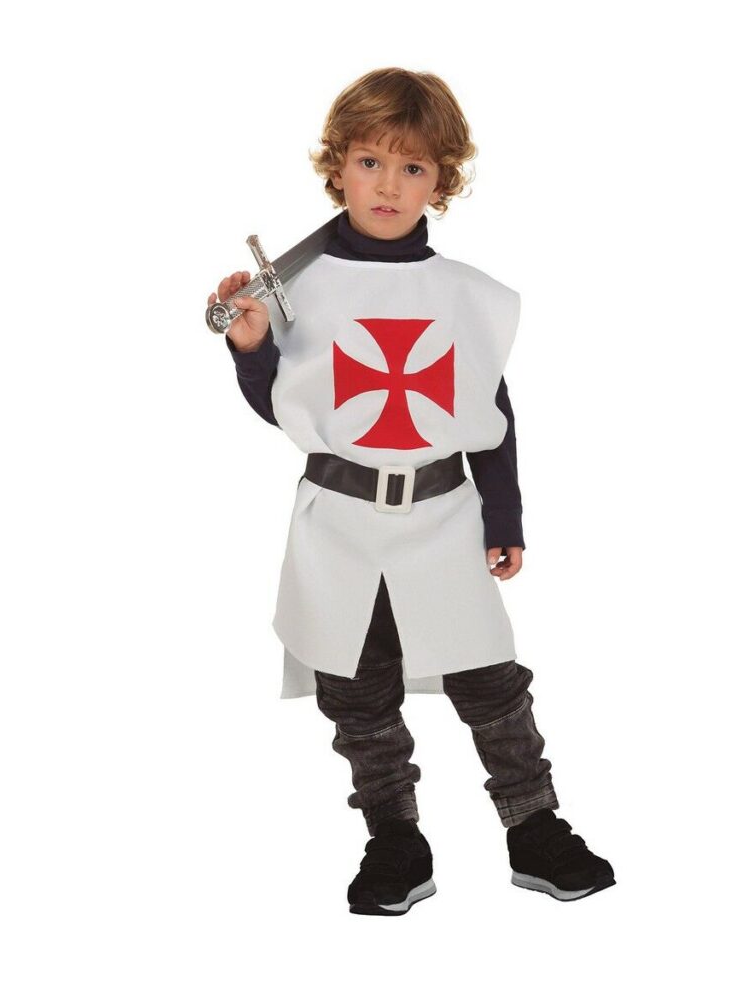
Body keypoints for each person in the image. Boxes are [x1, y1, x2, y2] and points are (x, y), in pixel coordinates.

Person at [208, 68, 615, 915]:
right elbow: (289, 407)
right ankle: (394, 836)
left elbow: (488, 412)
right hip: (338, 522)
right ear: (338, 168)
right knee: (357, 690)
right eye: (369, 163)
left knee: (489, 680)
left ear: (442, 180)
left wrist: (503, 515)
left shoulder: (466, 296)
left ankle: (533, 826)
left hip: (441, 516)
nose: (388, 186)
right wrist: (252, 348)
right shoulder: (297, 289)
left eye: (412, 167)